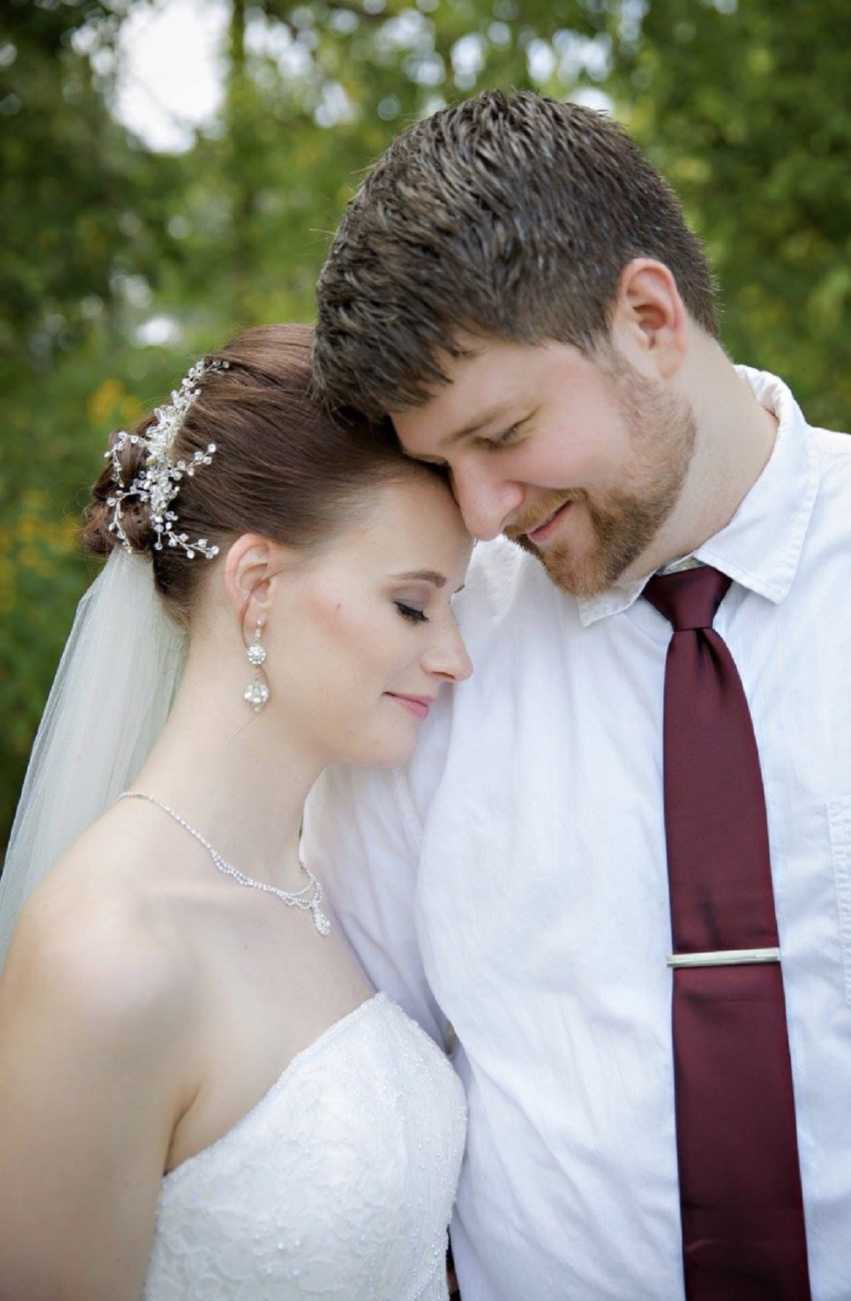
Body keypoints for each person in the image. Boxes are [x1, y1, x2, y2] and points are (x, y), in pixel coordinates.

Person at [307, 90, 851, 1300]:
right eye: (440, 465)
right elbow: (375, 1074)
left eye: (506, 431)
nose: (479, 511)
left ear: (647, 316)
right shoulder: (426, 654)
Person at [0, 323, 474, 1301]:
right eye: (414, 605)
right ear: (256, 585)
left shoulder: (328, 874)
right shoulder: (108, 952)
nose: (455, 657)